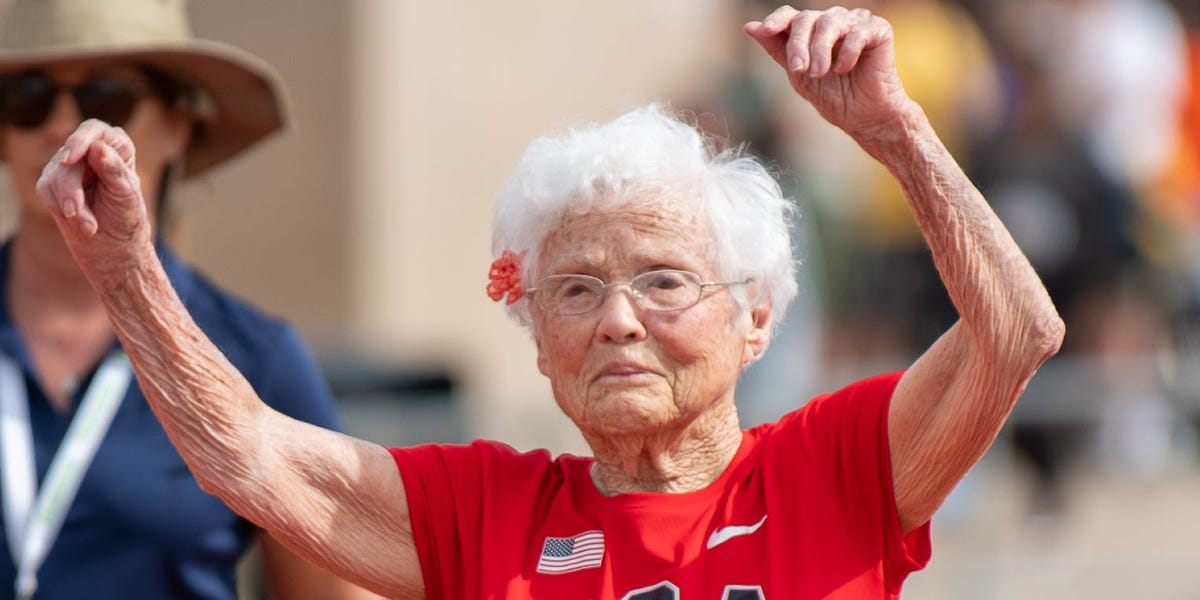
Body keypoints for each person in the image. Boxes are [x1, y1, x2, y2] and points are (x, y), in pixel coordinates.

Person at [36, 5, 1064, 599]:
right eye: (575, 289)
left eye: (664, 281)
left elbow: (1017, 331)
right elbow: (247, 454)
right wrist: (125, 269)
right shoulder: (484, 515)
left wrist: (895, 134)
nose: (619, 319)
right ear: (535, 337)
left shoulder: (830, 471)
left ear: (756, 318)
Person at [0, 0, 379, 598]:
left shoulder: (256, 358)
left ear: (178, 126)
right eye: (27, 97)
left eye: (105, 97)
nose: (61, 126)